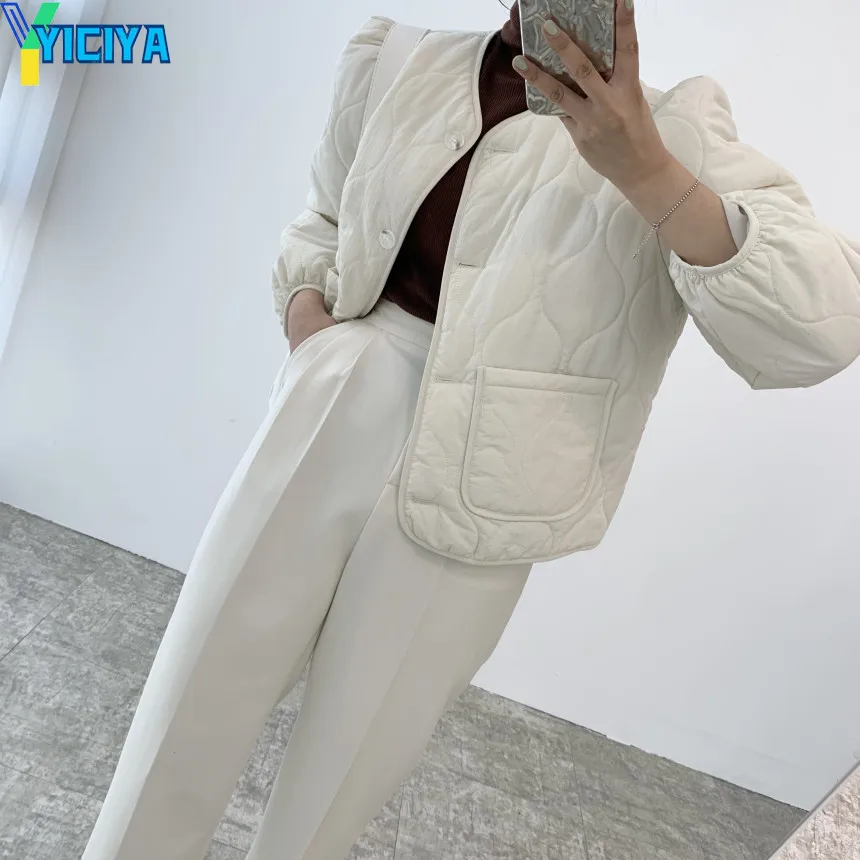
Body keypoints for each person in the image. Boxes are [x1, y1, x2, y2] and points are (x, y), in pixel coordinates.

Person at [81, 2, 860, 859]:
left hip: (491, 472)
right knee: (194, 691)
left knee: (344, 766)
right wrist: (313, 327)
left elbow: (821, 329)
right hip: (337, 395)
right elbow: (321, 220)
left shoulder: (678, 127)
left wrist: (645, 169)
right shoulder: (395, 60)